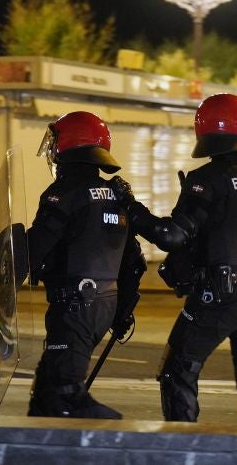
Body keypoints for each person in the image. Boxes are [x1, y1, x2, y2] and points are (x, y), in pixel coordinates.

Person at [112, 93, 237, 424]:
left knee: (178, 370)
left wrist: (131, 207)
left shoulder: (205, 180)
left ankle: (182, 445)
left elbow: (170, 236)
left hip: (217, 294)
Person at [26, 111, 146, 419]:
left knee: (64, 393)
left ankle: (113, 439)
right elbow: (134, 262)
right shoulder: (116, 196)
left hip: (74, 306)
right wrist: (122, 312)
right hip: (103, 306)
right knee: (44, 393)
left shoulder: (64, 193)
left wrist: (8, 263)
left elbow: (35, 246)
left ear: (71, 145)